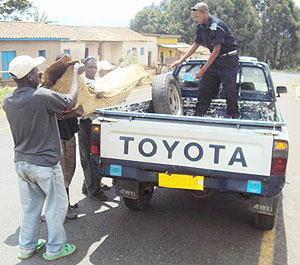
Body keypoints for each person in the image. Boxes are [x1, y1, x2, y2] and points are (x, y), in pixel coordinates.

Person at [3, 55, 81, 261]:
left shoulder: (8, 100)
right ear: (28, 77)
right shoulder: (42, 96)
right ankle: (55, 248)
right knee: (56, 206)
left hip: (21, 163)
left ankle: (27, 246)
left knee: (31, 207)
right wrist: (74, 75)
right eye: (35, 71)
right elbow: (70, 101)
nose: (39, 73)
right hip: (45, 163)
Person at [172, 2, 240, 118]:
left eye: (197, 16)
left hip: (228, 60)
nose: (195, 19)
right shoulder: (201, 27)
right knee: (204, 87)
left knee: (229, 89)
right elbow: (195, 45)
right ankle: (199, 114)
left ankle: (234, 116)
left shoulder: (216, 26)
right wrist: (181, 60)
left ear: (205, 13)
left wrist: (202, 71)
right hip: (216, 59)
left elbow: (216, 50)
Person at [55, 54, 84, 219]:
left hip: (69, 134)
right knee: (60, 173)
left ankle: (65, 203)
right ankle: (61, 210)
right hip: (58, 137)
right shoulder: (52, 88)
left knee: (69, 170)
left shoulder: (74, 85)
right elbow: (58, 114)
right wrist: (73, 113)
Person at [79, 56, 108, 200]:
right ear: (84, 68)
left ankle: (89, 185)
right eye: (90, 67)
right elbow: (92, 92)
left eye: (94, 67)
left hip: (97, 122)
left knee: (96, 156)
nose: (93, 69)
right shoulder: (83, 81)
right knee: (88, 156)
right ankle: (94, 190)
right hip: (86, 124)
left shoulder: (98, 81)